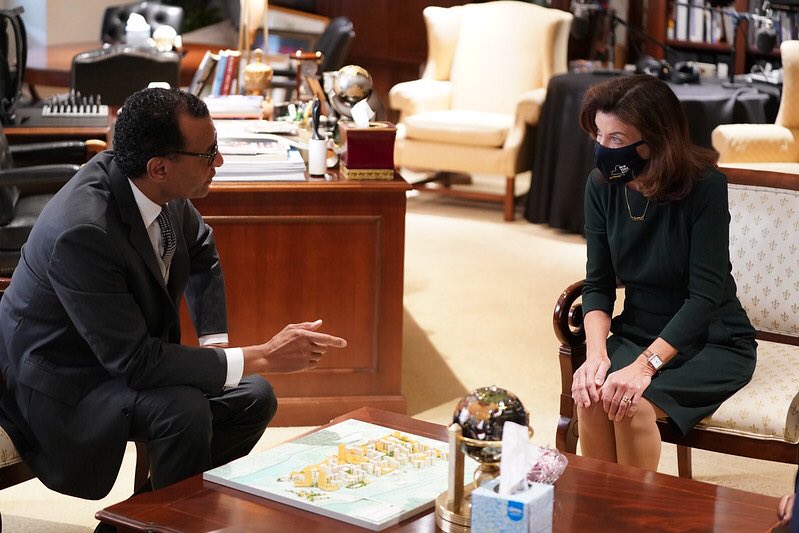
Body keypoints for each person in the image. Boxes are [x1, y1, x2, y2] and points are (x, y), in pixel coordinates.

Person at [0, 87, 347, 501]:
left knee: (256, 396)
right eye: (208, 153)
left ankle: (140, 522)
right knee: (184, 411)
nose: (219, 161)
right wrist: (266, 355)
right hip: (65, 379)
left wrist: (216, 344)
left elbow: (201, 248)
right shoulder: (83, 231)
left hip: (119, 355)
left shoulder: (151, 184)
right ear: (160, 167)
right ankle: (161, 524)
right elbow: (135, 363)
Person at [570, 74, 756, 471]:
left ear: (654, 141)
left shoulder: (705, 187)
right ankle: (603, 516)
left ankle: (637, 521)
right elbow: (598, 284)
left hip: (711, 339)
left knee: (630, 406)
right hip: (639, 328)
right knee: (591, 397)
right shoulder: (601, 186)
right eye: (598, 136)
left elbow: (705, 296)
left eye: (615, 139)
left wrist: (644, 367)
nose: (602, 150)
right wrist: (596, 356)